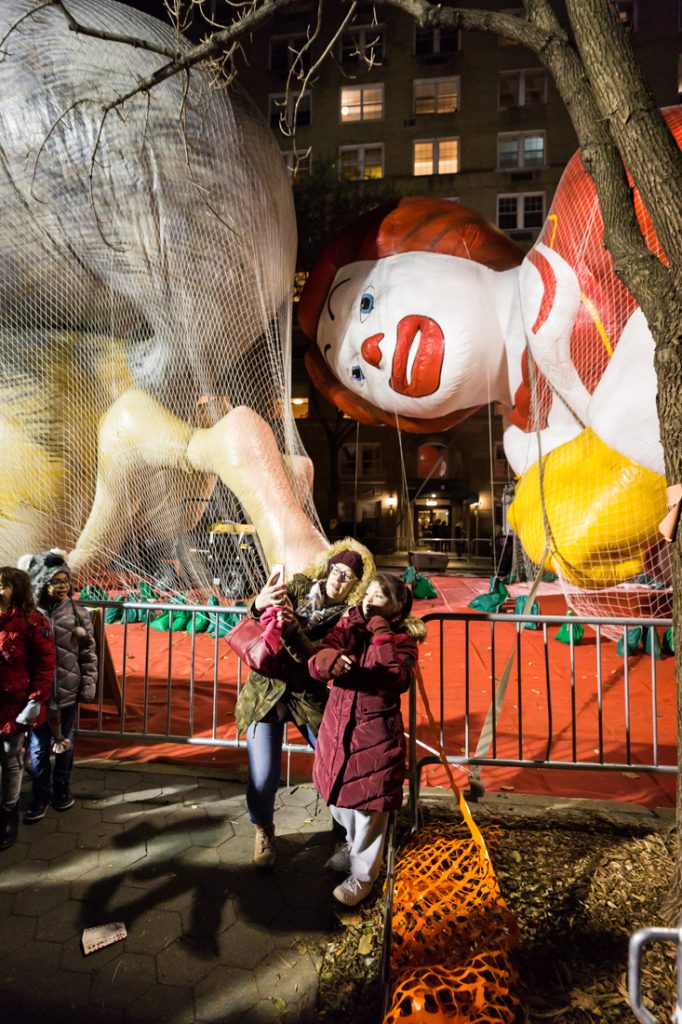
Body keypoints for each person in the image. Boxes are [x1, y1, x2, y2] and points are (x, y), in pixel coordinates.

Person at [234, 540, 375, 869]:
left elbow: (313, 657)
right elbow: (254, 615)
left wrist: (293, 626)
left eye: (349, 578)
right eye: (338, 571)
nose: (339, 580)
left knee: (337, 764)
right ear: (328, 568)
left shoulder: (347, 620)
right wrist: (259, 603)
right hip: (265, 691)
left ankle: (342, 830)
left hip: (308, 696)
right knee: (263, 774)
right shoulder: (298, 586)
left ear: (357, 586)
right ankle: (263, 830)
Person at [308, 572, 426, 906]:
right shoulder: (348, 627)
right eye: (369, 593)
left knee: (369, 810)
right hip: (338, 727)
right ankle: (352, 846)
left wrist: (380, 632)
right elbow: (317, 661)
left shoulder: (402, 639)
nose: (370, 599)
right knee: (338, 801)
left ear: (397, 606)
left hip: (374, 733)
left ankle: (363, 877)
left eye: (380, 595)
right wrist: (331, 662)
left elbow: (395, 677)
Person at [21, 551, 97, 823]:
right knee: (39, 746)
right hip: (37, 695)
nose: (63, 585)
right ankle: (40, 793)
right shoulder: (29, 616)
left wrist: (88, 684)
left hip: (67, 691)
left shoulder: (78, 614)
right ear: (42, 583)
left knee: (66, 741)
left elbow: (88, 653)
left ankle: (61, 787)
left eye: (66, 579)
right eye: (56, 580)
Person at [0, 567, 55, 849]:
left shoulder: (32, 621)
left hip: (13, 704)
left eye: (3, 586)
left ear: (17, 589)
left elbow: (45, 664)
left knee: (11, 758)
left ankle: (8, 811)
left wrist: (35, 700)